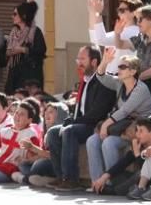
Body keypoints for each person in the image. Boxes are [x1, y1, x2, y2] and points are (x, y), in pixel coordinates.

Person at [45, 45, 116, 191]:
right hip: (82, 122)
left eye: (82, 59)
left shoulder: (104, 82)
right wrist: (71, 118)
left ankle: (72, 180)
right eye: (78, 59)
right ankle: (61, 177)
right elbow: (80, 108)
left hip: (95, 125)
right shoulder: (84, 80)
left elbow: (97, 112)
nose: (78, 62)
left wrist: (74, 121)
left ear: (94, 62)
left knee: (69, 131)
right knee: (53, 132)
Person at [86, 54, 151, 184]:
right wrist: (104, 61)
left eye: (122, 67)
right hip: (121, 127)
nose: (119, 70)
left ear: (133, 71)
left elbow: (125, 110)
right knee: (92, 140)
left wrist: (105, 125)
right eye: (118, 67)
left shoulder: (141, 89)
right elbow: (101, 77)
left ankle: (113, 181)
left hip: (136, 132)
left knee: (109, 142)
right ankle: (97, 183)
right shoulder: (119, 83)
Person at [88, 0, 141, 74]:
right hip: (112, 78)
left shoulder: (134, 32)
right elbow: (95, 39)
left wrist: (97, 13)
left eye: (122, 10)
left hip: (121, 79)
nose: (119, 13)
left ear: (134, 13)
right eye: (118, 10)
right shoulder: (123, 31)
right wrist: (92, 12)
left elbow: (100, 39)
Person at [5, 1, 46, 93]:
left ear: (23, 16)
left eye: (15, 14)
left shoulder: (35, 32)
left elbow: (41, 51)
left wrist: (23, 50)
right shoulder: (14, 32)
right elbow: (7, 51)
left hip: (29, 75)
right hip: (14, 74)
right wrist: (10, 51)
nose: (12, 16)